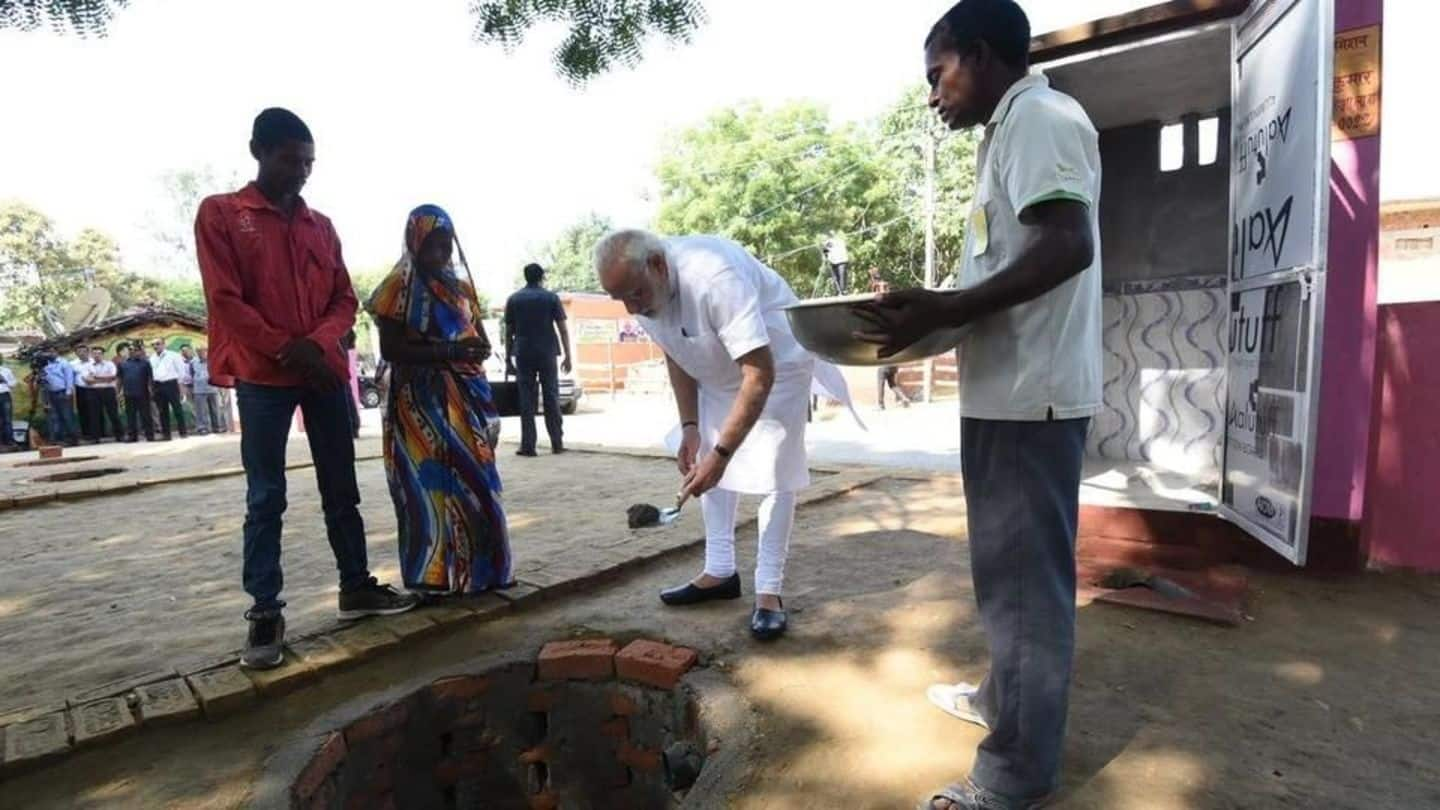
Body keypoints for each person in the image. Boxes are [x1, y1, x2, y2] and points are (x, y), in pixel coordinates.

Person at [852, 3, 1103, 807]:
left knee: (1027, 594)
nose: (932, 96)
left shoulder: (1041, 117)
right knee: (1008, 582)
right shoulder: (1011, 131)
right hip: (1008, 399)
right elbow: (1006, 279)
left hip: (1032, 403)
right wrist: (931, 309)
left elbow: (1070, 244)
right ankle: (1004, 702)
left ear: (980, 55)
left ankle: (1012, 780)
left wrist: (947, 308)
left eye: (938, 74)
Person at [195, 107, 418, 670]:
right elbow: (225, 301)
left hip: (320, 373)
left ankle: (356, 586)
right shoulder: (222, 215)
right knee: (266, 495)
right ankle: (265, 611)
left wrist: (316, 345)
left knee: (341, 486)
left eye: (309, 163)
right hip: (262, 379)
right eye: (291, 160)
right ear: (258, 152)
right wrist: (284, 348)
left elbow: (344, 299)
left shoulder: (322, 225)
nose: (301, 172)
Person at [595, 230, 854, 641]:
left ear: (659, 265)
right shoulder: (646, 294)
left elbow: (759, 374)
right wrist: (691, 428)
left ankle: (769, 592)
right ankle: (719, 571)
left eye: (635, 293)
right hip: (715, 368)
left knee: (775, 471)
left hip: (776, 362)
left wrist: (722, 453)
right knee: (707, 463)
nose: (632, 307)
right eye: (620, 299)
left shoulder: (713, 278)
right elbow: (676, 352)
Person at [368, 205, 512, 596]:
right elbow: (392, 348)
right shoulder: (397, 287)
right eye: (431, 243)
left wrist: (477, 349)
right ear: (415, 240)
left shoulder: (461, 288)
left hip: (465, 398)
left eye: (445, 243)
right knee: (428, 490)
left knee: (476, 483)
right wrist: (447, 352)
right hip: (420, 405)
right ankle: (432, 579)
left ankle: (482, 574)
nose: (439, 252)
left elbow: (477, 335)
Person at [503, 262, 572, 456]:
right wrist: (568, 355)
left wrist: (508, 359)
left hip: (523, 352)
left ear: (526, 277)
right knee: (551, 396)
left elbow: (509, 333)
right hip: (548, 351)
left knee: (526, 399)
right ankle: (557, 443)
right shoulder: (551, 298)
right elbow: (563, 329)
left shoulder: (514, 299)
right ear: (541, 277)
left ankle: (528, 446)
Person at [149, 340, 189, 440]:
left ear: (163, 344)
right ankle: (166, 434)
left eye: (158, 344)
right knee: (162, 411)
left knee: (177, 409)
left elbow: (181, 371)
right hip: (158, 385)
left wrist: (181, 387)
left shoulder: (173, 355)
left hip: (171, 384)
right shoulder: (152, 358)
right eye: (153, 344)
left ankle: (183, 432)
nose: (155, 346)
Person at [84, 346, 124, 443]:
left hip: (108, 390)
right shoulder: (88, 365)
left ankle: (119, 435)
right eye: (94, 353)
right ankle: (95, 438)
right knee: (94, 415)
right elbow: (87, 380)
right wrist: (105, 378)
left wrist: (96, 377)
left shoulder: (110, 364)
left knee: (113, 413)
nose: (96, 355)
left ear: (102, 354)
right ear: (91, 355)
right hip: (94, 392)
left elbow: (113, 377)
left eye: (99, 353)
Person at [118, 343, 155, 442]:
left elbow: (150, 378)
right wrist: (118, 392)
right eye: (130, 349)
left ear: (139, 351)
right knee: (130, 416)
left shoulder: (145, 363)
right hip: (128, 393)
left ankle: (150, 435)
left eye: (134, 349)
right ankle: (132, 436)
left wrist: (152, 390)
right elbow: (120, 379)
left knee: (146, 415)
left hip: (143, 393)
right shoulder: (123, 364)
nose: (132, 351)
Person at [40, 354, 79, 446]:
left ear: (55, 351)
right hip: (49, 393)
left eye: (51, 350)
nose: (49, 353)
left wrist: (68, 392)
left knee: (67, 416)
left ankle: (72, 438)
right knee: (54, 417)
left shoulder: (64, 363)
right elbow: (43, 380)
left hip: (62, 392)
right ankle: (58, 439)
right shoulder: (44, 364)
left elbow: (69, 378)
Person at [190, 346, 228, 435]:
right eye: (198, 352)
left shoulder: (213, 360)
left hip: (213, 388)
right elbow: (191, 374)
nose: (201, 353)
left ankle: (218, 427)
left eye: (203, 351)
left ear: (207, 352)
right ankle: (202, 428)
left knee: (216, 409)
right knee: (201, 410)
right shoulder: (193, 362)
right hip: (199, 389)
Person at [0, 354, 16, 450]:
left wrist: (4, 380)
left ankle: (9, 441)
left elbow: (13, 383)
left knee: (7, 419)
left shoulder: (6, 371)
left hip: (5, 396)